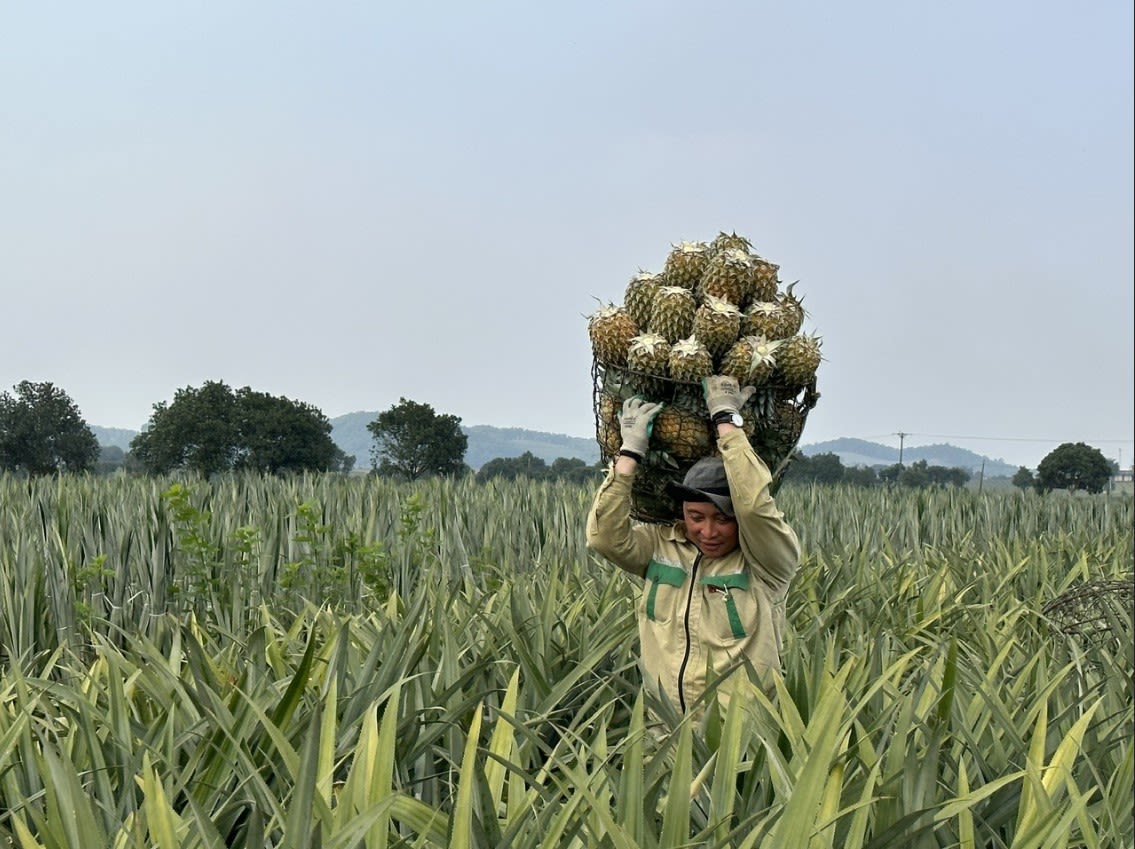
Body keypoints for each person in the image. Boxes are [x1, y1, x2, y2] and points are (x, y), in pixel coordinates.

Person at [585, 375, 801, 718]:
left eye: (723, 519)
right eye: (696, 517)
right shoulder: (661, 547)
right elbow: (603, 537)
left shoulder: (767, 561)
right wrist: (629, 453)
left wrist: (726, 419)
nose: (709, 531)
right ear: (682, 512)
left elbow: (753, 505)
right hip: (664, 727)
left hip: (738, 734)